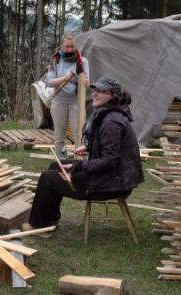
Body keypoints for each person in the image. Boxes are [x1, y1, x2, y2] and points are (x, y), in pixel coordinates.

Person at [23, 76, 144, 237]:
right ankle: (49, 220)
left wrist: (78, 166)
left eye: (101, 91)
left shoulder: (112, 122)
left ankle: (39, 227)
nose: (95, 94)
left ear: (112, 95)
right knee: (56, 166)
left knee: (47, 178)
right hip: (113, 177)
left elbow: (110, 161)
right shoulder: (110, 114)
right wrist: (88, 147)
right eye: (95, 90)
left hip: (112, 183)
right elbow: (111, 148)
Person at [47, 34, 90, 160]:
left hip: (77, 103)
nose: (70, 49)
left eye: (72, 46)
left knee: (79, 134)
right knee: (59, 135)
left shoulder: (82, 61)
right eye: (67, 47)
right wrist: (64, 78)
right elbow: (49, 82)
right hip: (58, 102)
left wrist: (85, 82)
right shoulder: (55, 60)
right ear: (62, 46)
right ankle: (62, 161)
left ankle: (81, 162)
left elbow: (86, 81)